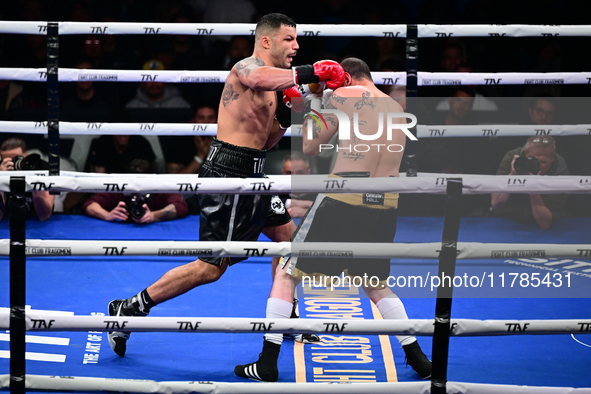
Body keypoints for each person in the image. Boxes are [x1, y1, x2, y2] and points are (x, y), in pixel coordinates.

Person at [105, 13, 346, 383]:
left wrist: (290, 109)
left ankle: (287, 317)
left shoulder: (277, 86)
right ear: (266, 41)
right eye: (289, 40)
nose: (296, 47)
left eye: (297, 41)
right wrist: (309, 72)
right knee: (211, 268)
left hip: (254, 171)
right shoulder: (247, 67)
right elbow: (255, 77)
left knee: (289, 243)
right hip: (228, 175)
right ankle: (130, 307)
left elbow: (266, 142)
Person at [253, 57, 432, 380]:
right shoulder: (396, 107)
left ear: (345, 77)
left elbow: (309, 147)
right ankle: (417, 356)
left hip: (344, 199)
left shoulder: (343, 96)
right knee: (376, 285)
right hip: (386, 203)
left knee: (285, 274)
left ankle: (267, 361)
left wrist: (316, 101)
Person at [491, 136, 568, 230]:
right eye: (533, 160)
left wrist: (533, 188)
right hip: (506, 220)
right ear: (526, 153)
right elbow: (495, 203)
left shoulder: (559, 168)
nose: (538, 166)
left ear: (553, 158)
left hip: (538, 224)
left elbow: (545, 224)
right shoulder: (514, 159)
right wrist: (512, 175)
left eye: (543, 162)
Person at [82, 159, 189, 224]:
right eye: (134, 186)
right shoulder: (120, 190)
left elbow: (180, 205)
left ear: (152, 182)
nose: (138, 194)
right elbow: (90, 204)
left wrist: (154, 215)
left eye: (142, 186)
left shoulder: (159, 189)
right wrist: (106, 215)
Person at [0, 137, 54, 221]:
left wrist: (33, 180)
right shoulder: (1, 171)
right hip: (8, 223)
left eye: (17, 159)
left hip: (39, 226)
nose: (14, 164)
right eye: (9, 161)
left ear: (27, 157)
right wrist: (1, 180)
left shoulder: (43, 168)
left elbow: (44, 216)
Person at [125, 60, 191, 110]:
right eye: (149, 78)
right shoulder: (132, 107)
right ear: (142, 82)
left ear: (165, 81)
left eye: (158, 77)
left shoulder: (180, 105)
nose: (154, 82)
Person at [88, 134, 156, 174]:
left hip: (138, 187)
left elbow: (151, 172)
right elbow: (99, 178)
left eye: (126, 131)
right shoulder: (102, 143)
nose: (123, 134)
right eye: (119, 131)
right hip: (109, 189)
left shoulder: (141, 144)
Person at [281, 152, 314, 218]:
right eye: (289, 173)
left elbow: (333, 212)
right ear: (283, 173)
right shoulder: (272, 194)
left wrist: (307, 212)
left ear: (308, 173)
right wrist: (290, 202)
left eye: (300, 173)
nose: (294, 177)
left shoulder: (320, 194)